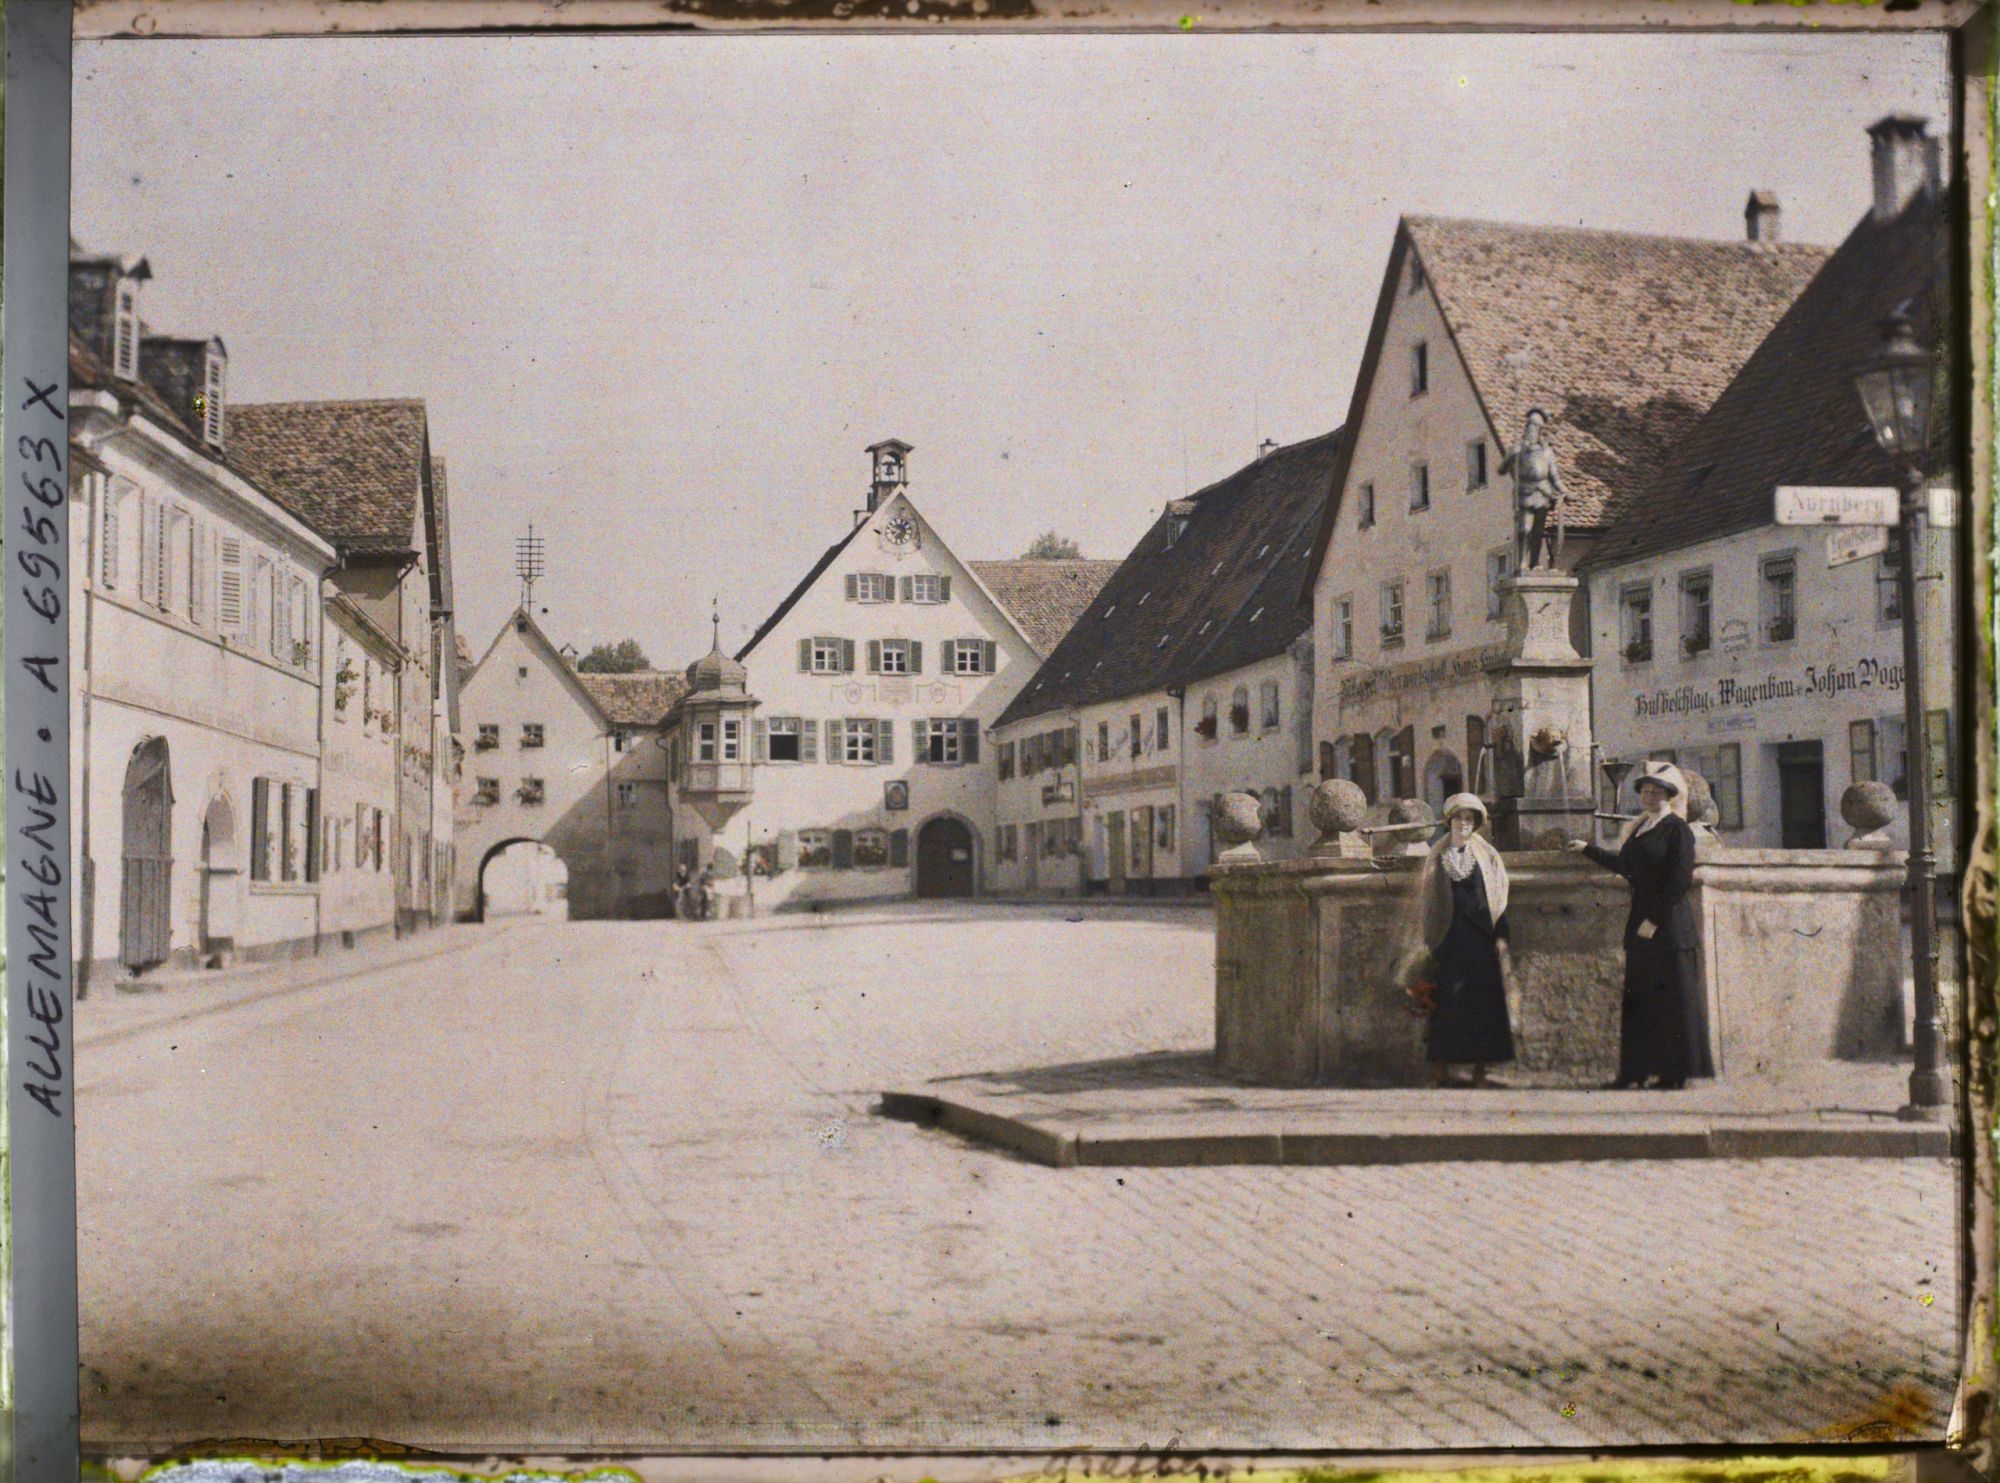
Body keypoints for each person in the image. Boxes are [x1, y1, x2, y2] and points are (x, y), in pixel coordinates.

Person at [1565, 760, 1713, 1090]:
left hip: (1669, 926)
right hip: (1641, 923)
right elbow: (1625, 866)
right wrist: (1588, 849)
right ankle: (1634, 1071)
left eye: (1655, 792)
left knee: (1671, 1002)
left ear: (1668, 796)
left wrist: (1654, 921)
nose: (1648, 796)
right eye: (1645, 791)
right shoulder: (1641, 827)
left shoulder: (1677, 829)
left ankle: (1673, 1074)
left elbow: (1678, 881)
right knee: (1640, 1001)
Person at [1402, 793, 1515, 1088]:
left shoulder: (1487, 854)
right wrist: (1429, 939)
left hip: (1481, 939)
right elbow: (1429, 899)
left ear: (1475, 823)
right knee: (1447, 1002)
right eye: (1458, 818)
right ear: (1448, 821)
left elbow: (1498, 897)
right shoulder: (1438, 855)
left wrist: (1501, 936)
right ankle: (1440, 1069)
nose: (1463, 824)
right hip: (1449, 938)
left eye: (1469, 819)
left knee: (1483, 1004)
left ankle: (1480, 1069)